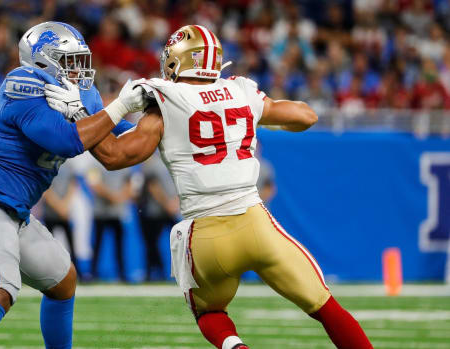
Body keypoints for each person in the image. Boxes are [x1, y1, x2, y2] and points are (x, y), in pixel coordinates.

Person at [45, 25, 373, 349]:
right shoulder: (240, 91)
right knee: (327, 309)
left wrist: (82, 114)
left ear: (182, 60)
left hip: (207, 238)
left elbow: (114, 156)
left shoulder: (164, 98)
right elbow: (307, 116)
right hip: (257, 226)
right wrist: (252, 113)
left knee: (209, 311)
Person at [0, 21, 145, 349]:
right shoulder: (21, 83)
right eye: (69, 61)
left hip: (15, 212)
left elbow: (121, 132)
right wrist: (115, 106)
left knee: (62, 280)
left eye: (81, 60)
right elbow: (66, 141)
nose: (79, 70)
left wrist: (156, 112)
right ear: (41, 61)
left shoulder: (82, 93)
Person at [86, 160, 133, 281]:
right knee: (97, 244)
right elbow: (94, 184)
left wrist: (120, 197)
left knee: (119, 245)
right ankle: (93, 273)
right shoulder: (95, 164)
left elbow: (129, 185)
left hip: (117, 212)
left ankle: (122, 273)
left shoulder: (124, 164)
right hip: (100, 212)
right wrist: (112, 196)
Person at [138, 152, 178, 281]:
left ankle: (156, 272)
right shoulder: (169, 161)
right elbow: (152, 186)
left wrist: (172, 203)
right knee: (153, 244)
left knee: (153, 243)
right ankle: (156, 272)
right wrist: (171, 204)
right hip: (156, 210)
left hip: (161, 209)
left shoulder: (154, 163)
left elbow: (153, 186)